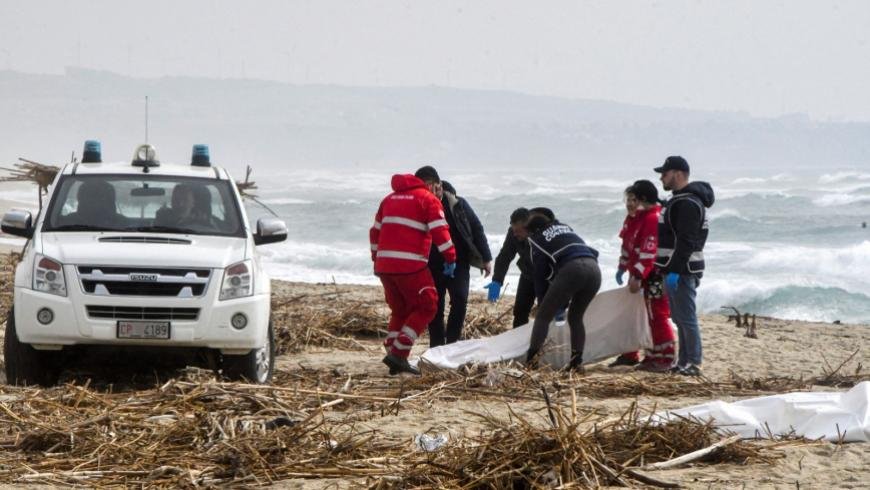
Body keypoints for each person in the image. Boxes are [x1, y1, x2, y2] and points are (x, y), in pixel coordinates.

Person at [369, 169, 457, 375]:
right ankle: (399, 353)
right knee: (428, 305)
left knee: (400, 310)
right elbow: (440, 232)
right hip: (410, 266)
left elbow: (374, 232)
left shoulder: (388, 199)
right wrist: (451, 258)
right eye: (438, 188)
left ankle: (392, 350)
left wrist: (377, 258)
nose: (439, 193)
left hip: (384, 266)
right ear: (432, 184)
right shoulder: (428, 199)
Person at [654, 156, 715, 377]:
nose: (661, 178)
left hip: (683, 270)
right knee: (679, 318)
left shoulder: (687, 203)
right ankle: (683, 362)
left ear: (678, 174)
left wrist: (674, 271)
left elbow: (686, 241)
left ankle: (694, 363)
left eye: (665, 173)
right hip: (678, 268)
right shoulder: (679, 200)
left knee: (687, 318)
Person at [610, 180, 676, 372]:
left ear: (643, 199)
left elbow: (649, 251)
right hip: (640, 274)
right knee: (641, 314)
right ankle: (645, 354)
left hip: (654, 274)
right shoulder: (635, 218)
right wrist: (623, 267)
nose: (631, 203)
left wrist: (638, 275)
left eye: (634, 199)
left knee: (657, 314)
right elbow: (628, 246)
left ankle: (666, 356)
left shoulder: (652, 218)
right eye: (628, 200)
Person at [525, 210, 601, 371]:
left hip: (573, 269)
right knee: (576, 317)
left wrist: (542, 302)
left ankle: (531, 363)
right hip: (594, 269)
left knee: (543, 317)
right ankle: (576, 363)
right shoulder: (564, 228)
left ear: (532, 231)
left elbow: (540, 275)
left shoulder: (537, 239)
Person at [423, 171, 494, 346]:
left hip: (459, 262)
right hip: (432, 264)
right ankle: (436, 345)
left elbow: (476, 228)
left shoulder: (458, 204)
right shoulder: (421, 205)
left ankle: (453, 343)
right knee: (435, 306)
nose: (435, 192)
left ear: (440, 185)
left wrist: (486, 258)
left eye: (436, 187)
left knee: (460, 300)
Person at [486, 207, 536, 327]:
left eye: (518, 231)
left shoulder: (542, 233)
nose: (515, 234)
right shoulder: (514, 234)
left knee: (548, 310)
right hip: (528, 273)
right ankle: (518, 337)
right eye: (513, 230)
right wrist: (497, 280)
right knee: (520, 311)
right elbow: (505, 256)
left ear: (528, 227)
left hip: (547, 276)